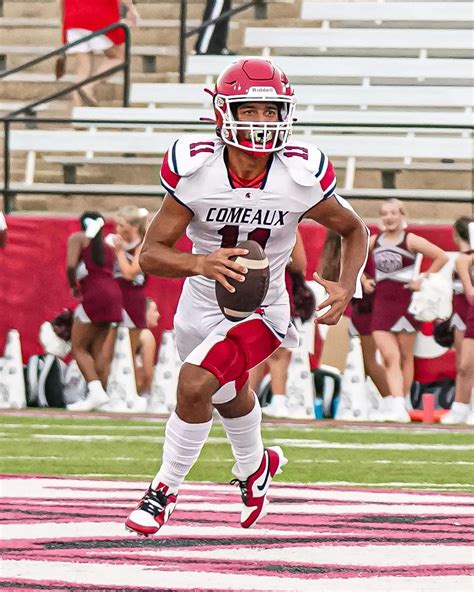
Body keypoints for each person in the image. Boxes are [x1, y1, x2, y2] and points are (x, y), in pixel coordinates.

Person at [125, 58, 369, 537]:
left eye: (270, 111)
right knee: (225, 394)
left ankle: (162, 491)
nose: (261, 121)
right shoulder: (197, 169)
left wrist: (347, 283)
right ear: (223, 112)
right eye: (250, 110)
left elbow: (353, 228)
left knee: (195, 383)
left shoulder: (299, 174)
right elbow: (150, 254)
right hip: (199, 303)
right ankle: (256, 466)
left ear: (286, 114)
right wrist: (200, 263)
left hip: (263, 307)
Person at [369, 199, 448, 422]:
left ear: (402, 215)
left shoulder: (410, 239)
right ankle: (396, 403)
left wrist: (423, 278)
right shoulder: (374, 241)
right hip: (381, 304)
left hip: (405, 303)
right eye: (384, 213)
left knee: (405, 356)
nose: (389, 217)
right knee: (389, 356)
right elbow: (355, 261)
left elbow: (441, 256)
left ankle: (401, 403)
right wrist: (364, 280)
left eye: (393, 213)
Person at [321, 229, 391, 404]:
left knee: (369, 363)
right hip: (351, 313)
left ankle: (394, 403)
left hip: (362, 312)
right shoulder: (339, 250)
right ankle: (384, 403)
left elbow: (367, 279)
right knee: (358, 364)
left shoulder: (356, 249)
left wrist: (363, 280)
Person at [66, 211, 123, 411]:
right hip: (114, 294)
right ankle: (102, 394)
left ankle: (96, 392)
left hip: (94, 293)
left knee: (78, 347)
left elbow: (70, 265)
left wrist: (73, 285)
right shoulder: (107, 244)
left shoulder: (78, 238)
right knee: (98, 349)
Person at [250, 229, 309, 419]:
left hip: (248, 289)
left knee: (255, 348)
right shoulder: (286, 224)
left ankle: (248, 401)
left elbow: (299, 264)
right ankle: (277, 400)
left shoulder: (240, 219)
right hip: (273, 289)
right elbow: (299, 265)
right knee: (273, 350)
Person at [58, 0, 139, 106]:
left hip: (73, 17)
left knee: (82, 70)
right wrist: (131, 7)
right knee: (119, 57)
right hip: (98, 15)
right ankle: (88, 86)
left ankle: (78, 111)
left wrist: (64, 21)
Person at [111, 205, 149, 389]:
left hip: (132, 300)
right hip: (114, 300)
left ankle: (135, 391)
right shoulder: (114, 243)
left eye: (121, 225)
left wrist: (119, 252)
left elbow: (130, 273)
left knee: (129, 350)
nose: (117, 229)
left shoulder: (142, 246)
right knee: (111, 349)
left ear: (133, 227)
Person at [441, 222, 474, 424]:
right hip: (466, 315)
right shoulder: (464, 259)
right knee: (464, 365)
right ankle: (461, 407)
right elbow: (469, 294)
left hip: (466, 313)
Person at [135, 297, 160, 397]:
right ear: (144, 313)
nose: (158, 315)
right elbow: (147, 373)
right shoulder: (146, 335)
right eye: (155, 311)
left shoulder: (132, 333)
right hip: (138, 390)